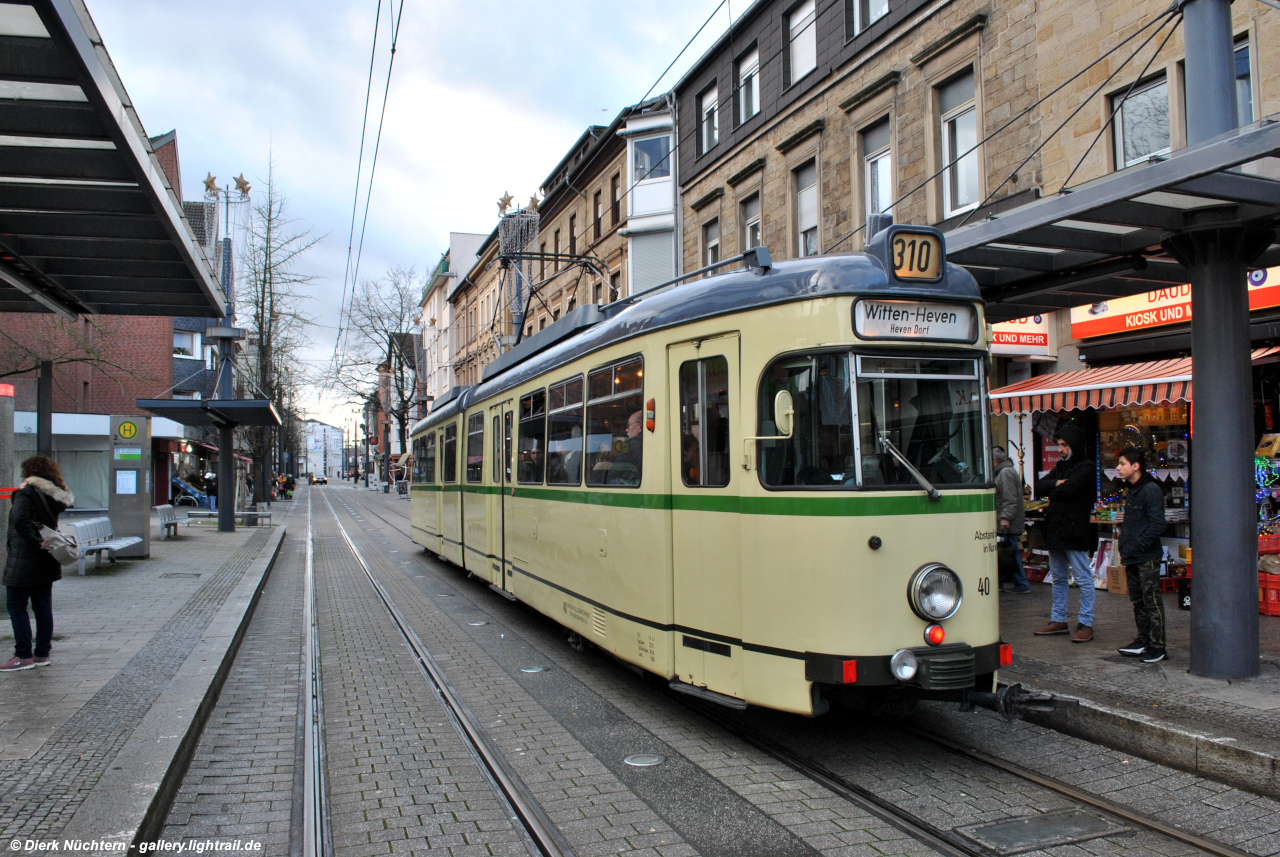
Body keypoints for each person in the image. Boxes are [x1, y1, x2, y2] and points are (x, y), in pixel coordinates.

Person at [2, 455, 75, 672]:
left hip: (25, 560)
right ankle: (42, 653)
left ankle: (23, 655)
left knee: (16, 606)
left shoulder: (27, 494)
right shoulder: (54, 496)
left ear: (29, 473)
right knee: (43, 608)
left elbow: (19, 521)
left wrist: (35, 543)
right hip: (48, 558)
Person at [1033, 423, 1097, 642]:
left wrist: (1056, 488)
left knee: (1083, 578)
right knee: (1058, 577)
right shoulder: (1061, 468)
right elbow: (1039, 487)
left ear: (1074, 445)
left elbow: (1067, 490)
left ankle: (1086, 623)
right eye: (1059, 445)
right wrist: (1058, 484)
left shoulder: (1086, 467)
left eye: (1064, 445)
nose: (1060, 449)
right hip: (1056, 530)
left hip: (1074, 529)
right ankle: (1058, 619)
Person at [1115, 447, 1168, 663]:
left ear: (1135, 466)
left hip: (1146, 555)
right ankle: (1143, 640)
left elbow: (1157, 524)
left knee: (1151, 600)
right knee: (1138, 600)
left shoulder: (1150, 490)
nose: (1118, 468)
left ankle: (1158, 645)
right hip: (1133, 555)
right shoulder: (1132, 489)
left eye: (1123, 463)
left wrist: (1137, 545)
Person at [993, 446, 1030, 592]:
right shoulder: (1007, 471)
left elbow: (1009, 498)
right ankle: (1001, 583)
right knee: (1005, 552)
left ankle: (1021, 584)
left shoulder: (1005, 473)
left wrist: (1005, 518)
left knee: (1010, 553)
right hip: (1008, 520)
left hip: (1008, 522)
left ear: (995, 461)